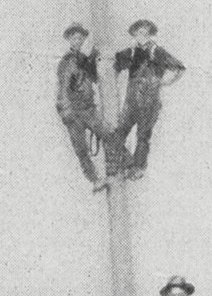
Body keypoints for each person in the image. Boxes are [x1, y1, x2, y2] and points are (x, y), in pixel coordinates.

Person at [113, 20, 185, 179]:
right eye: (138, 33)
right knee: (119, 133)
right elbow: (113, 65)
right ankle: (125, 164)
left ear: (151, 34)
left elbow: (179, 68)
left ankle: (138, 168)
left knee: (143, 137)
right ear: (134, 35)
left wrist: (165, 82)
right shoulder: (131, 52)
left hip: (150, 103)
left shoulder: (157, 52)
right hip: (131, 103)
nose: (142, 36)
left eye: (145, 33)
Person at [56, 24, 115, 192]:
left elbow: (94, 77)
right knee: (81, 149)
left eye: (80, 38)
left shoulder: (83, 58)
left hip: (87, 108)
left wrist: (95, 57)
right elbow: (63, 87)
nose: (78, 40)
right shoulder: (66, 62)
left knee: (107, 132)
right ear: (69, 40)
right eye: (74, 38)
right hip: (73, 111)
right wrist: (66, 111)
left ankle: (120, 163)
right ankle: (95, 179)